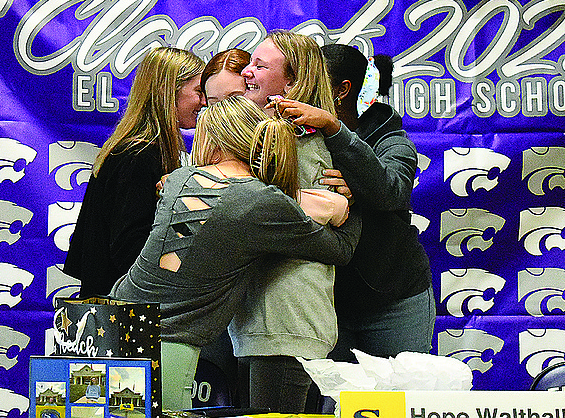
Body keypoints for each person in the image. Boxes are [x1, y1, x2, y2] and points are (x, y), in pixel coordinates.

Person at [110, 95, 360, 410]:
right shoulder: (262, 202)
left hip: (116, 321)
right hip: (169, 343)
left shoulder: (178, 180)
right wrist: (352, 202)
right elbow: (338, 248)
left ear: (211, 141)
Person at [271, 44, 434, 366]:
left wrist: (334, 128)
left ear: (342, 89)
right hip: (323, 299)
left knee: (400, 395)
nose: (295, 89)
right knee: (329, 405)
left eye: (309, 79)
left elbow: (391, 191)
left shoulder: (391, 140)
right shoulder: (286, 134)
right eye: (292, 80)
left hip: (394, 298)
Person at [230, 29, 341, 413]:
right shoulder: (270, 138)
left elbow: (285, 215)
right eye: (250, 63)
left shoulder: (302, 142)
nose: (247, 72)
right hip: (268, 324)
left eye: (260, 65)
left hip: (285, 323)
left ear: (292, 81)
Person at [62, 46, 205, 298]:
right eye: (198, 91)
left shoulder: (140, 148)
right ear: (168, 91)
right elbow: (129, 247)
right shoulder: (139, 154)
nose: (204, 102)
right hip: (123, 311)